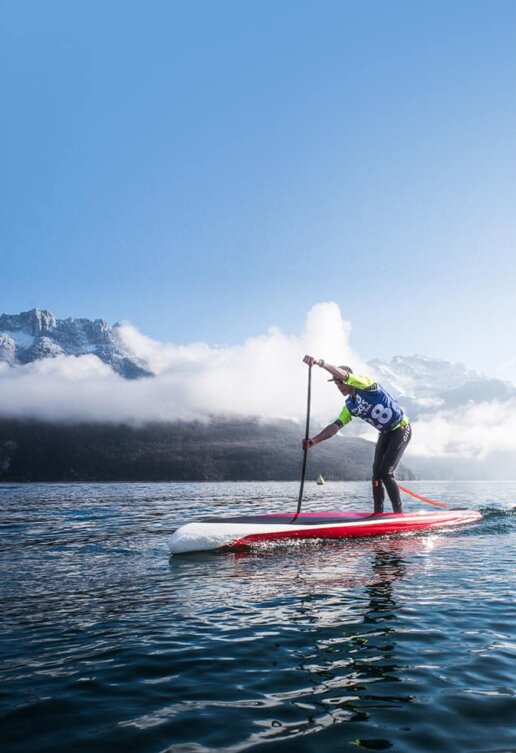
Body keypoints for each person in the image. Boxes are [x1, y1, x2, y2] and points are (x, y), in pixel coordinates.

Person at [302, 355, 412, 514]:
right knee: (376, 474)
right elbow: (335, 427)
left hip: (401, 429)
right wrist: (314, 441)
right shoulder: (350, 406)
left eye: (340, 381)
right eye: (336, 383)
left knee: (386, 472)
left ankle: (398, 515)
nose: (339, 386)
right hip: (385, 433)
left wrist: (320, 363)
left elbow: (345, 375)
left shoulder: (365, 384)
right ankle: (378, 514)